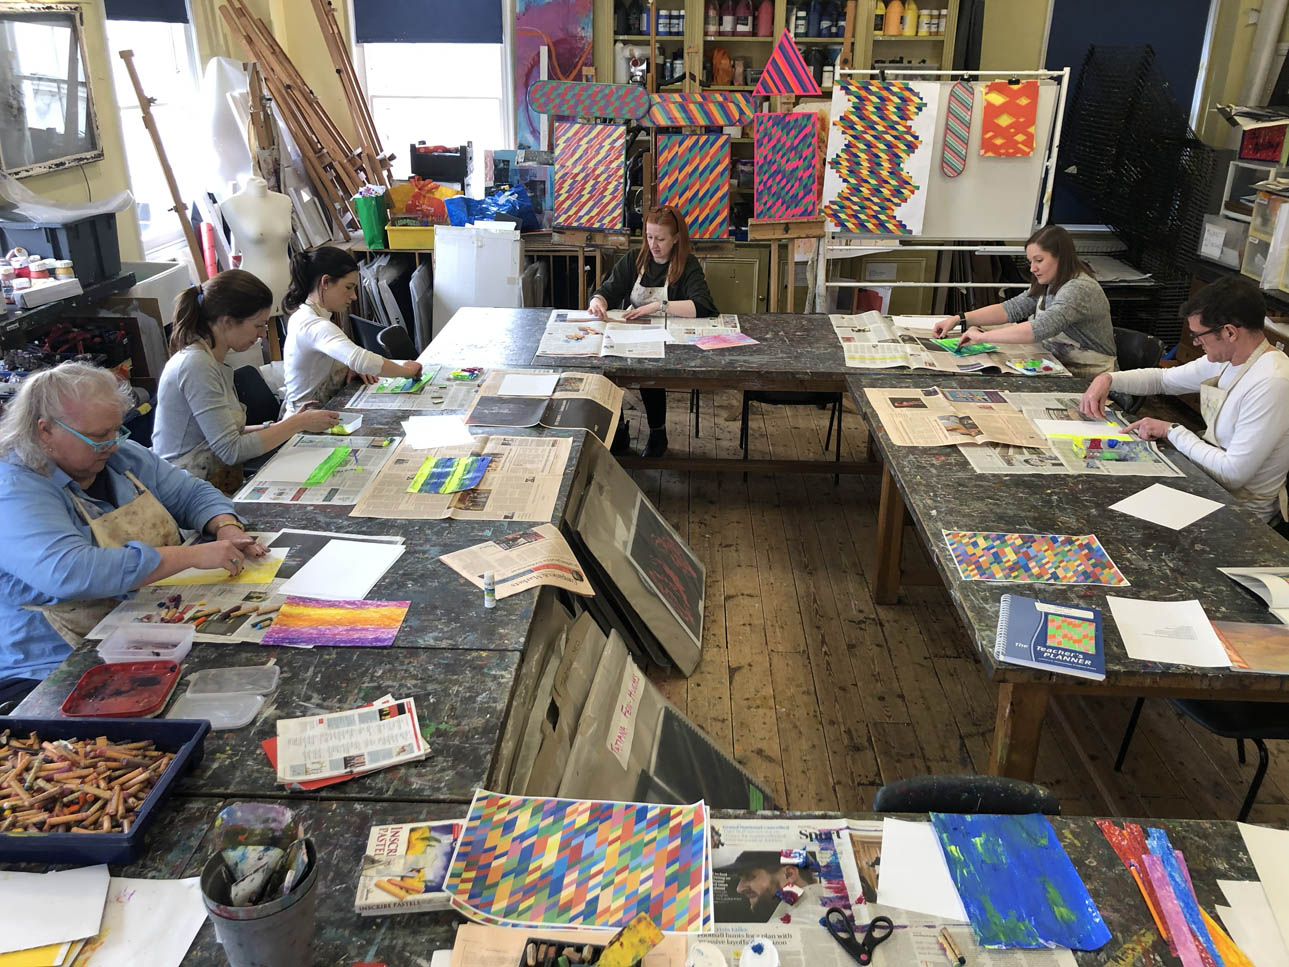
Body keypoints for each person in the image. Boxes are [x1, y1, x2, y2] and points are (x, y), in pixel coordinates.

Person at [0, 362, 267, 704]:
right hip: (57, 665)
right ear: (45, 431)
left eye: (116, 430)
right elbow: (69, 572)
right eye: (98, 436)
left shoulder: (119, 456)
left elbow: (191, 493)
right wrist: (191, 555)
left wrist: (224, 526)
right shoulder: (15, 488)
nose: (112, 444)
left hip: (139, 620)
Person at [1081, 276, 1289, 528]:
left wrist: (1172, 431)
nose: (1196, 343)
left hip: (1242, 513)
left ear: (1230, 332)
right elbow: (1163, 380)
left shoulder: (1272, 382)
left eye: (1199, 336)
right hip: (1209, 481)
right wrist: (1108, 379)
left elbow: (1233, 473)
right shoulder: (1227, 359)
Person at [153, 270, 340, 493]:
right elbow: (231, 450)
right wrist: (296, 424)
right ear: (227, 322)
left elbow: (225, 433)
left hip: (210, 480)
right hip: (184, 491)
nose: (263, 334)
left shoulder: (211, 360)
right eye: (258, 325)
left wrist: (283, 425)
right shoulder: (196, 365)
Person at [588, 205, 717, 457]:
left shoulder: (687, 265)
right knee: (608, 368)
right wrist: (598, 302)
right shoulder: (635, 259)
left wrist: (660, 305)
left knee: (650, 373)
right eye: (649, 237)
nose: (653, 245)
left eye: (660, 239)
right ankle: (617, 430)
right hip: (633, 333)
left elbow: (703, 305)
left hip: (669, 339)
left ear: (676, 238)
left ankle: (658, 432)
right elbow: (608, 291)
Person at [931, 225, 1117, 379]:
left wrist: (983, 337)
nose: (1032, 268)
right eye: (1031, 261)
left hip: (1090, 376)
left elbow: (1040, 328)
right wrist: (959, 318)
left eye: (1039, 260)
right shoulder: (1051, 281)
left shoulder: (1078, 288)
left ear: (1061, 258)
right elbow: (1012, 308)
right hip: (1058, 364)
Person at [281, 246, 421, 415]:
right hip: (304, 420)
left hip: (320, 411)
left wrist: (343, 368)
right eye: (348, 287)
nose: (354, 296)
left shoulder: (303, 315)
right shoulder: (314, 325)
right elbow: (361, 359)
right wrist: (406, 371)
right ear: (325, 282)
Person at [717, 851, 827, 922]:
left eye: (749, 876)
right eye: (740, 879)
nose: (739, 889)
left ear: (789, 874)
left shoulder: (801, 920)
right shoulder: (816, 909)